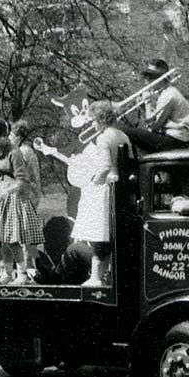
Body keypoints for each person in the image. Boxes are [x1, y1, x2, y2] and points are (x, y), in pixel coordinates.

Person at [57, 100, 132, 287]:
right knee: (108, 235)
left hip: (107, 190)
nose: (92, 124)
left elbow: (105, 166)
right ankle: (102, 275)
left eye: (93, 120)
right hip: (123, 190)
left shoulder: (103, 138)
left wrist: (94, 179)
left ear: (101, 119)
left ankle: (96, 277)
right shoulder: (123, 135)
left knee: (98, 233)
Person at [0, 117, 44, 286]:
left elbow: (23, 180)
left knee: (13, 238)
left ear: (3, 135)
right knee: (2, 240)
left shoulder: (15, 152)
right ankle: (6, 272)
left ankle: (21, 273)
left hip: (15, 196)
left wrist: (9, 190)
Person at [121, 59, 189, 153]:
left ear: (162, 78)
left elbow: (152, 127)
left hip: (175, 141)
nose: (147, 79)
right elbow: (153, 122)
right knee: (130, 134)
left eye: (151, 76)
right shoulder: (164, 93)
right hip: (172, 138)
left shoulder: (169, 95)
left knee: (124, 131)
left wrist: (147, 102)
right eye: (146, 76)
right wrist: (144, 107)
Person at [9, 119, 43, 280]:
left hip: (25, 196)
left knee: (23, 234)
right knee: (30, 234)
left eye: (11, 134)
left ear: (18, 136)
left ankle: (27, 268)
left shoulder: (22, 152)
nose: (9, 137)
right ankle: (33, 266)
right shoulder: (28, 150)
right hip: (33, 194)